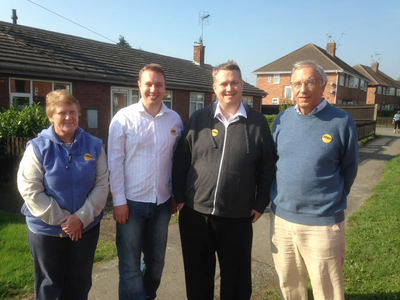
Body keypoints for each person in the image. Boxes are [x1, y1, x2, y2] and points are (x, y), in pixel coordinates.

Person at [172, 60, 276, 300]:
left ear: (242, 85)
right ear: (214, 88)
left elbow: (267, 167)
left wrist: (260, 204)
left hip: (238, 217)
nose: (229, 88)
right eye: (224, 83)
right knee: (198, 278)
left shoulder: (257, 123)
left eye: (234, 83)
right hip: (196, 214)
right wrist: (179, 198)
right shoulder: (198, 119)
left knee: (237, 281)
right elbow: (180, 161)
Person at [270, 60, 359, 299]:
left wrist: (329, 200)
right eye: (297, 83)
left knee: (327, 289)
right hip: (282, 220)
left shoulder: (341, 122)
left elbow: (349, 168)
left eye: (310, 82)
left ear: (323, 84)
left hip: (322, 222)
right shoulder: (282, 120)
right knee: (289, 286)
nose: (303, 89)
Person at [17, 90, 109, 299]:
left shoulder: (94, 145)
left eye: (73, 112)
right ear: (50, 117)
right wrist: (66, 222)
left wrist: (81, 219)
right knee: (49, 286)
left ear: (78, 114)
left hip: (85, 229)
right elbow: (30, 189)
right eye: (62, 112)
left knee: (80, 283)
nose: (68, 117)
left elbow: (102, 183)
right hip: (46, 231)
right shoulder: (38, 147)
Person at [108, 63, 183, 300]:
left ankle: (147, 296)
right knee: (130, 265)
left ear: (165, 88)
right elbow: (115, 162)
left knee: (157, 263)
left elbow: (176, 162)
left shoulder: (174, 120)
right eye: (148, 84)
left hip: (161, 205)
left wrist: (174, 194)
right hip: (131, 204)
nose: (153, 89)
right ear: (139, 85)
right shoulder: (123, 118)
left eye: (158, 85)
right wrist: (118, 201)